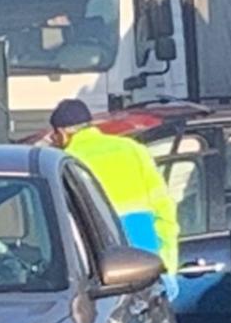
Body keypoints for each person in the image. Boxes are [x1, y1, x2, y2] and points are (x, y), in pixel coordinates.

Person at [50, 98, 180, 276]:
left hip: (104, 256)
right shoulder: (132, 148)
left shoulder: (68, 161)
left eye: (54, 136)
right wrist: (168, 264)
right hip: (147, 254)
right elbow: (164, 206)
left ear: (62, 133)